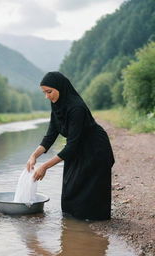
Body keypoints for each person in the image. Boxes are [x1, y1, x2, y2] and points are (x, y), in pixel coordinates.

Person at [26, 71, 114, 221]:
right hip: (78, 148)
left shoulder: (76, 108)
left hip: (95, 148)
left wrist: (45, 166)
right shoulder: (56, 106)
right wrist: (34, 156)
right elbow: (50, 136)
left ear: (60, 88)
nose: (47, 96)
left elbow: (71, 146)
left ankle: (94, 222)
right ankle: (73, 227)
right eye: (44, 93)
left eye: (49, 92)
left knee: (89, 189)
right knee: (70, 190)